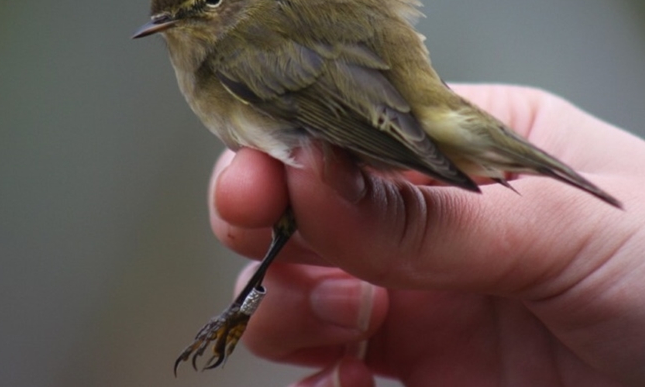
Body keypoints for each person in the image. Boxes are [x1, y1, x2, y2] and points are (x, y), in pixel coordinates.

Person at [207, 84, 645, 387]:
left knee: (283, 212)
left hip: (374, 122)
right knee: (276, 214)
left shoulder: (232, 50)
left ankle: (244, 307)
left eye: (208, 0)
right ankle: (244, 306)